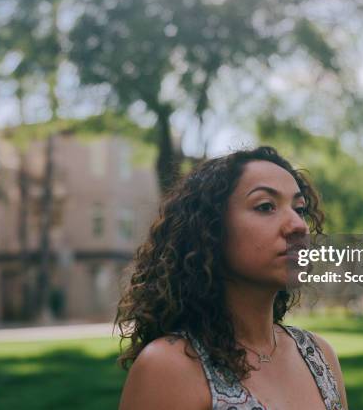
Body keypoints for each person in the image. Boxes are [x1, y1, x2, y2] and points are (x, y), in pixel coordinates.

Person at [117, 146, 348, 410]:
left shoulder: (320, 355)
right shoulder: (169, 367)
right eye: (265, 207)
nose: (298, 225)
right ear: (210, 230)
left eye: (300, 209)